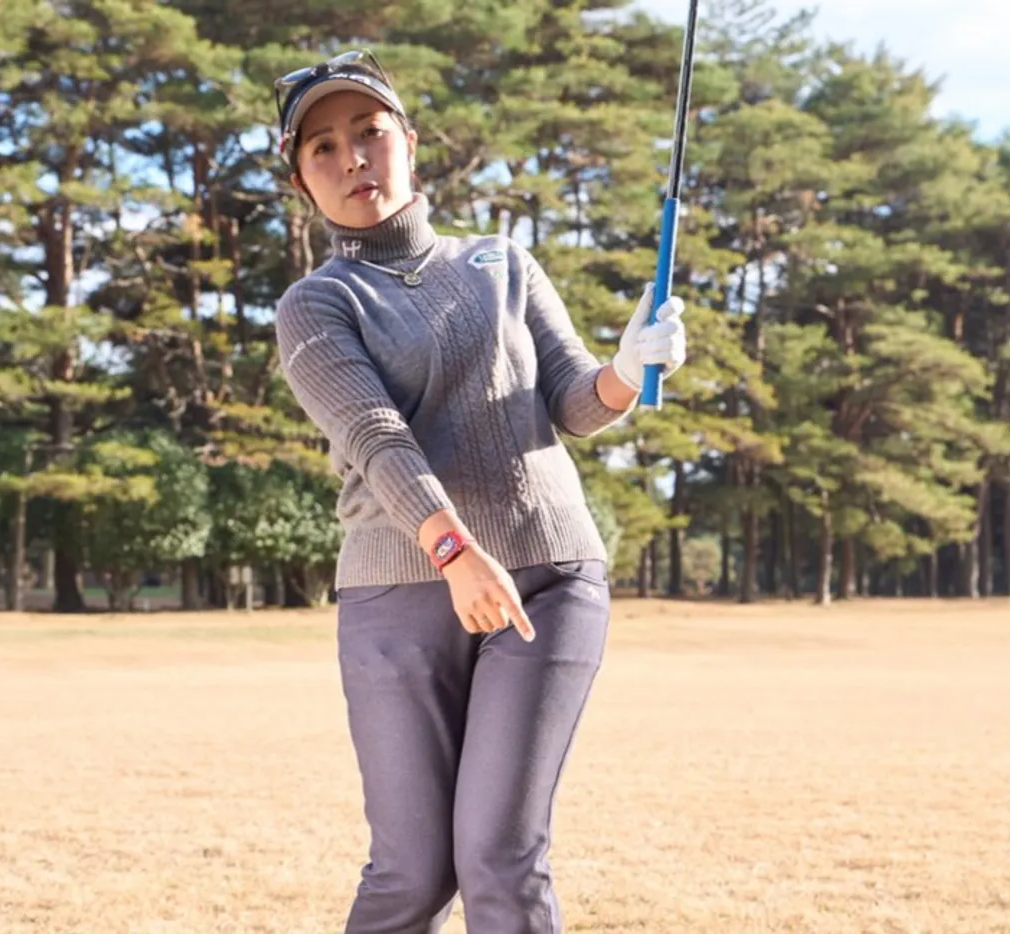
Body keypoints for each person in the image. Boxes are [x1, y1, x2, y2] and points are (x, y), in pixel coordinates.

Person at [271, 50, 687, 934]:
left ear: (410, 142)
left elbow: (574, 402)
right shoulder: (316, 304)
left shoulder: (502, 263)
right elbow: (376, 438)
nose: (353, 158)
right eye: (323, 148)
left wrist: (626, 367)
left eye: (371, 132)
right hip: (399, 594)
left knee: (500, 859)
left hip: (546, 580)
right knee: (411, 875)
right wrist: (456, 551)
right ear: (301, 180)